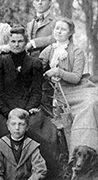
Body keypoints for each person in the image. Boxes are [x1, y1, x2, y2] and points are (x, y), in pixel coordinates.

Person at [0, 24, 59, 178]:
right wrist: (8, 113)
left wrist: (27, 111)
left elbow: (36, 92)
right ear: (9, 42)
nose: (16, 45)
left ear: (25, 42)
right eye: (13, 41)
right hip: (5, 108)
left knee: (34, 130)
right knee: (2, 131)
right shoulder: (1, 62)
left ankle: (40, 173)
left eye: (20, 41)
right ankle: (2, 175)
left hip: (28, 107)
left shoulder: (34, 63)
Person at [39, 17, 98, 160]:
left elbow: (76, 77)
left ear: (70, 32)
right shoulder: (49, 49)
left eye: (63, 29)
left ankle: (89, 155)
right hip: (61, 92)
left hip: (79, 89)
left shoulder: (77, 51)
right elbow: (38, 66)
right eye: (57, 28)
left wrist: (58, 72)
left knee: (90, 105)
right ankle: (75, 159)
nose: (59, 31)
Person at [26, 0, 56, 113]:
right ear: (33, 3)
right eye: (37, 0)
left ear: (49, 3)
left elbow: (56, 38)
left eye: (43, 0)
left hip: (48, 66)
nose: (40, 3)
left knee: (46, 101)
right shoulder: (29, 24)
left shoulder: (55, 22)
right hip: (32, 67)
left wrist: (34, 43)